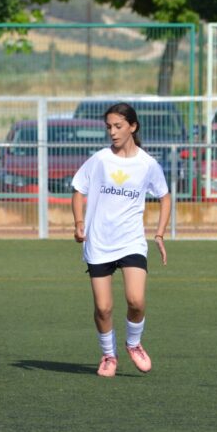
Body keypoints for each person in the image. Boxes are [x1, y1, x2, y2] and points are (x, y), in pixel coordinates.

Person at [71, 102, 171, 377]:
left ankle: (134, 343)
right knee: (103, 308)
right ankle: (108, 356)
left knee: (136, 300)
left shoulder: (147, 164)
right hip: (99, 242)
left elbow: (164, 196)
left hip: (131, 241)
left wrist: (160, 233)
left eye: (118, 126)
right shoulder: (101, 159)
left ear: (133, 127)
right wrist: (79, 223)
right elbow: (79, 190)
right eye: (108, 127)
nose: (112, 132)